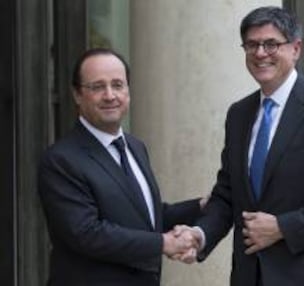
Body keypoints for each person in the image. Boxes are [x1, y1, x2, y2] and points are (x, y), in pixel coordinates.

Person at [174, 6, 304, 286]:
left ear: (296, 49)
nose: (260, 53)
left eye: (271, 44)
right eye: (252, 45)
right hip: (251, 276)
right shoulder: (239, 114)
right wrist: (200, 234)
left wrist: (283, 227)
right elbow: (227, 194)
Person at [37, 48, 203, 286]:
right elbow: (87, 233)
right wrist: (164, 243)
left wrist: (200, 206)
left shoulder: (135, 147)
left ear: (128, 91)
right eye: (97, 87)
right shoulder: (60, 160)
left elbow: (145, 217)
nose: (110, 95)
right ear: (77, 95)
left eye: (117, 85)